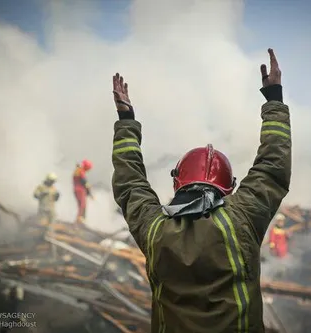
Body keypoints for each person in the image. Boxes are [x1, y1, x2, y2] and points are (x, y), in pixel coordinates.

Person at [111, 48, 291, 332]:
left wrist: (126, 122)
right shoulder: (241, 220)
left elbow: (130, 184)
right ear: (229, 188)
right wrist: (274, 101)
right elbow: (272, 167)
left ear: (176, 182)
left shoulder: (155, 230)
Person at [73, 159, 93, 225]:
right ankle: (79, 220)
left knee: (80, 205)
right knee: (82, 205)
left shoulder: (77, 170)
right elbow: (85, 182)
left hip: (76, 189)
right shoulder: (81, 171)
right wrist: (90, 193)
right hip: (81, 190)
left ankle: (79, 219)